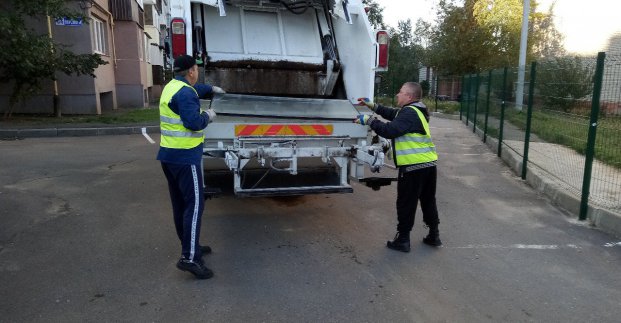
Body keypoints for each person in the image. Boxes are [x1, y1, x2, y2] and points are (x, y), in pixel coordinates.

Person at [157, 54, 226, 279]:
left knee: (181, 205)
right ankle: (189, 258)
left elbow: (194, 91)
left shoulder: (172, 86)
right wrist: (208, 115)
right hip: (185, 158)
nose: (196, 73)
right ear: (191, 71)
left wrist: (211, 88)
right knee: (195, 206)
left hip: (170, 156)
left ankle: (191, 245)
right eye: (196, 69)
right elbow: (193, 123)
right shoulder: (186, 93)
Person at [354, 82, 442, 252]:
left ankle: (403, 240)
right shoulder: (416, 110)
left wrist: (368, 120)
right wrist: (372, 106)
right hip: (428, 165)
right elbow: (393, 114)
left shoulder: (410, 113)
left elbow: (390, 130)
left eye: (400, 92)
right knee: (428, 200)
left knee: (406, 203)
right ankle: (434, 235)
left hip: (413, 167)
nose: (397, 94)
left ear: (409, 97)